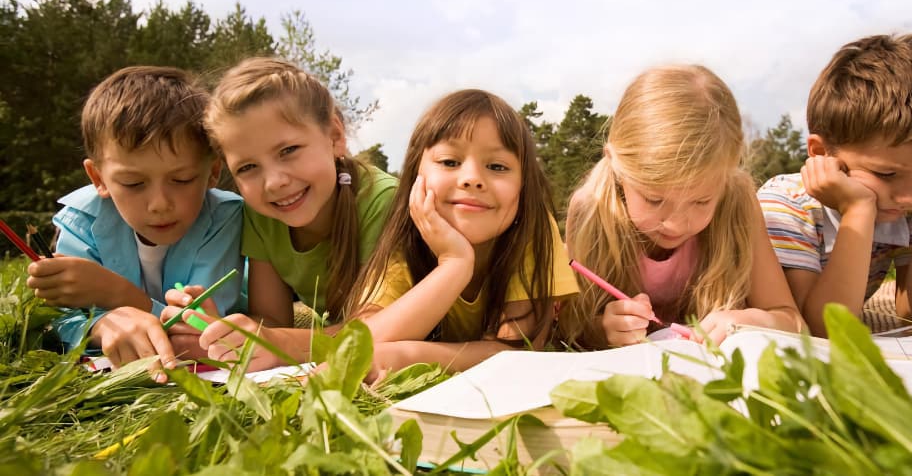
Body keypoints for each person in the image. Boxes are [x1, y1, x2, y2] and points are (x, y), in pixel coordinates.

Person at [162, 57, 397, 368]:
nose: (274, 183)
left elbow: (380, 330)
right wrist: (220, 333)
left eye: (288, 151)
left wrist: (279, 344)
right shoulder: (261, 214)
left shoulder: (383, 201)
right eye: (247, 168)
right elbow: (272, 320)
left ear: (335, 137)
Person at [557, 65, 802, 349]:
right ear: (616, 166)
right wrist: (603, 330)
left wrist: (752, 320)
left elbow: (793, 322)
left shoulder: (737, 200)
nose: (675, 223)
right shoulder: (591, 209)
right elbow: (571, 327)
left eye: (701, 201)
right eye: (654, 199)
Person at [26, 66, 244, 377]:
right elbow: (57, 320)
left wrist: (117, 295)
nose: (159, 204)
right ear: (98, 178)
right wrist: (100, 326)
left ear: (212, 173)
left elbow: (199, 328)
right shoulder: (82, 219)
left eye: (181, 179)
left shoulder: (225, 217)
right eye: (132, 183)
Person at [757, 33, 912, 336]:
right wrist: (858, 211)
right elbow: (819, 329)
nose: (910, 196)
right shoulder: (786, 204)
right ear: (822, 153)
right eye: (886, 174)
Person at [352, 89, 579, 381]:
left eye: (497, 166)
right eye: (449, 162)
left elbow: (518, 349)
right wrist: (455, 264)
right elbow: (360, 347)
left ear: (524, 187)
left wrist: (411, 356)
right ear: (415, 174)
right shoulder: (405, 240)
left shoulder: (533, 230)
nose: (472, 178)